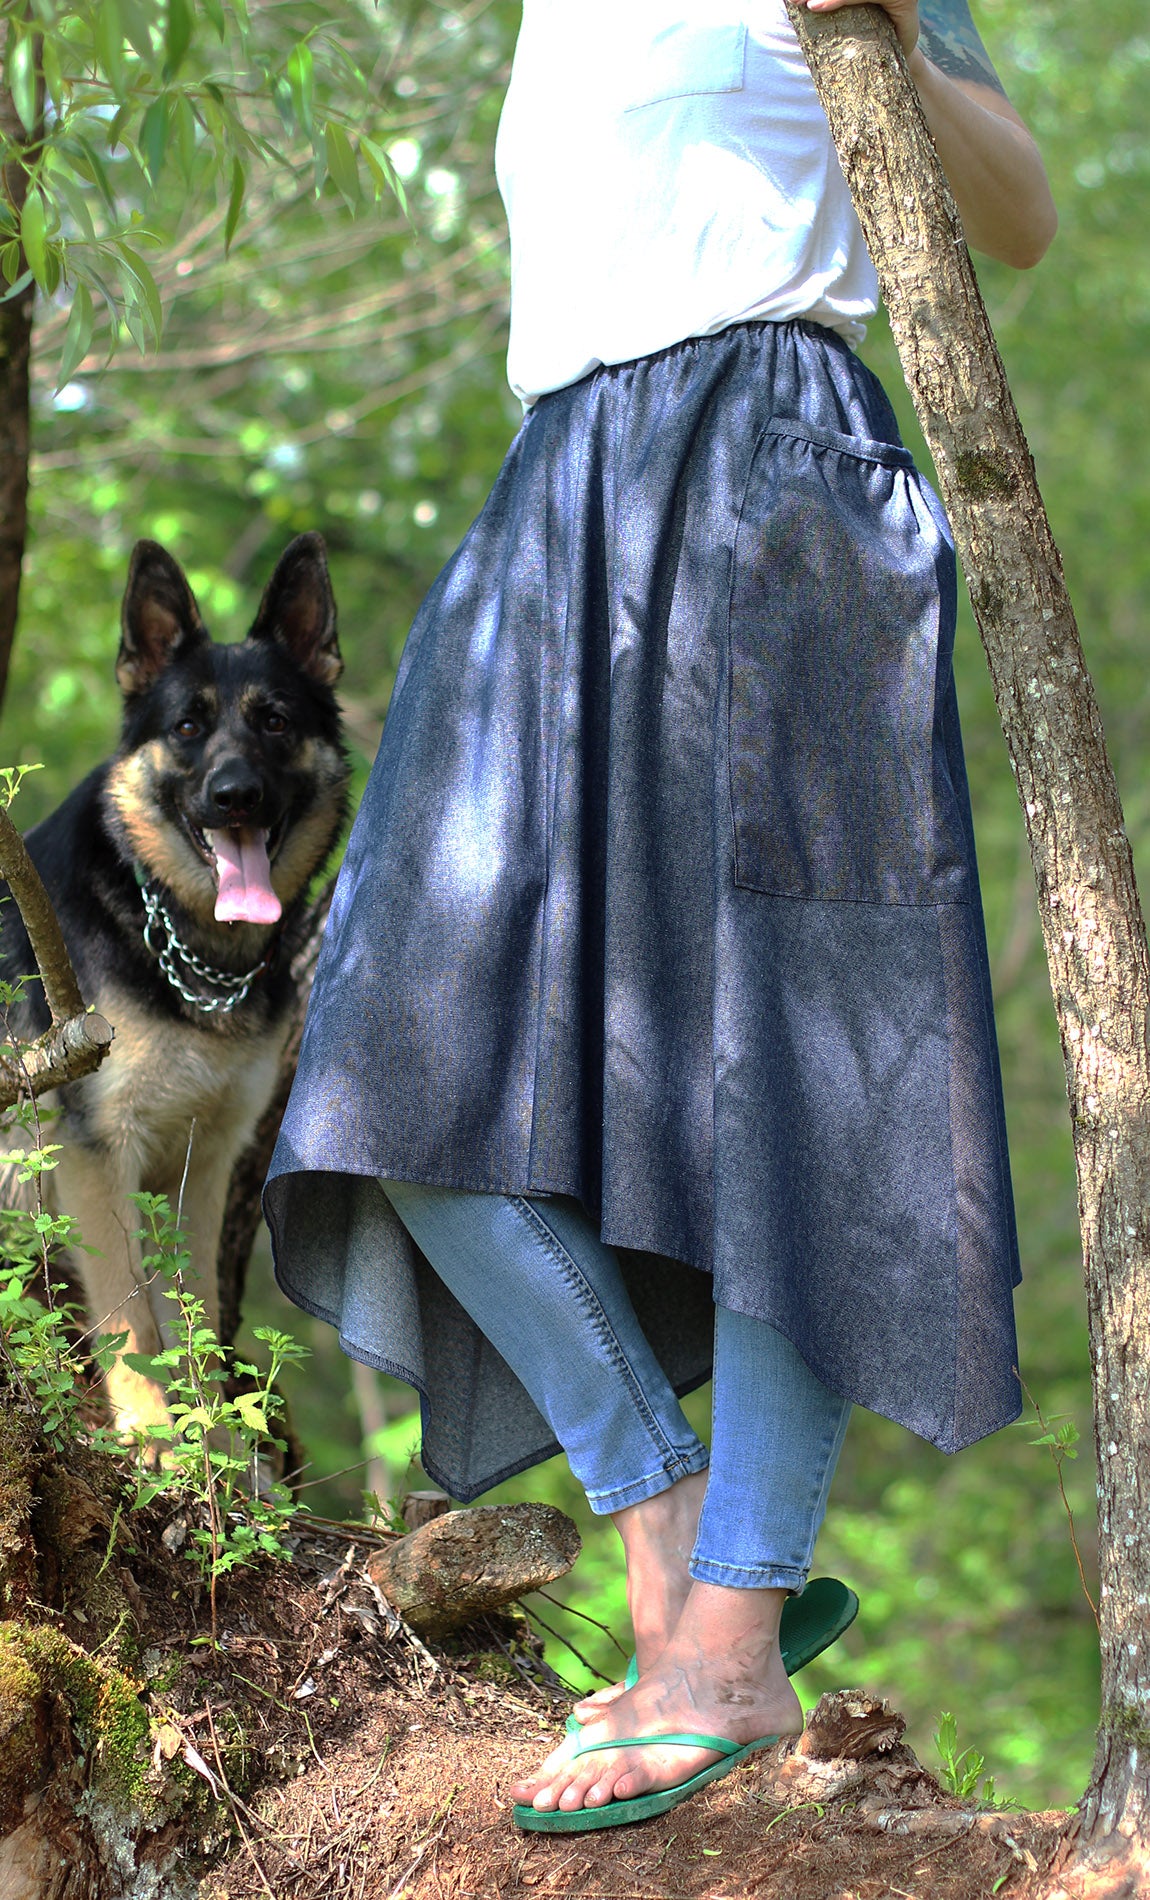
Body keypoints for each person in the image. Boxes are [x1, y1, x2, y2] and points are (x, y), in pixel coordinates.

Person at [264, 0, 1055, 1834]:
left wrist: (887, 38)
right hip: (558, 497)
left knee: (803, 1062)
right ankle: (669, 1530)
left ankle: (729, 1635)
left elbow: (1011, 215)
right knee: (395, 1045)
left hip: (779, 473)